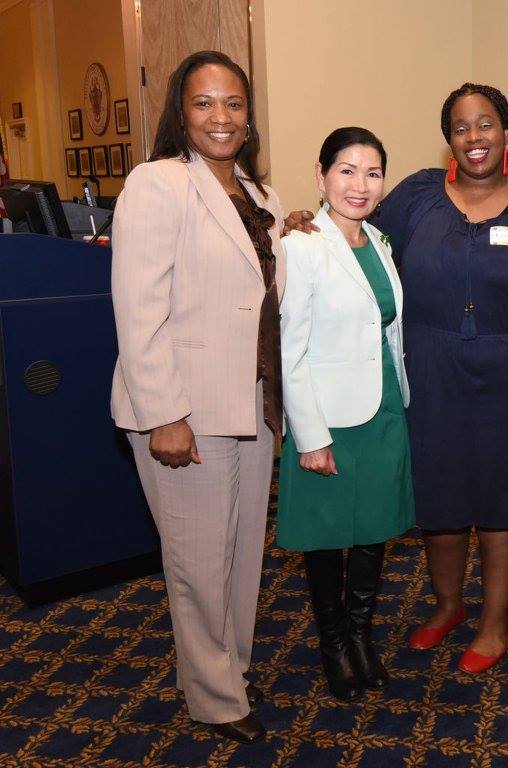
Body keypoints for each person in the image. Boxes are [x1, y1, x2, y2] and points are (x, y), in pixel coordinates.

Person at [110, 50, 283, 743]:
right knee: (197, 561)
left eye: (234, 103)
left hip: (253, 405)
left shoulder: (258, 194)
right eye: (205, 102)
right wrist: (165, 415)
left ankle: (223, 667)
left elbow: (263, 289)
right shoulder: (157, 185)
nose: (222, 116)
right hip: (184, 409)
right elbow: (137, 309)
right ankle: (214, 698)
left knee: (241, 557)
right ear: (181, 112)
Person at [372, 83, 508, 673]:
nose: (473, 137)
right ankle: (448, 606)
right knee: (441, 494)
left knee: (505, 499)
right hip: (431, 370)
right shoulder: (415, 199)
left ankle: (495, 622)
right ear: (448, 138)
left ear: (507, 131)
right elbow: (358, 237)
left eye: (485, 124)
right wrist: (313, 221)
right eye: (460, 126)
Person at [277, 127, 413, 702]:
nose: (360, 185)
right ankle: (333, 643)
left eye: (373, 172)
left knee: (372, 533)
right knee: (327, 537)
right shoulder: (303, 244)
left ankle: (361, 637)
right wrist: (310, 436)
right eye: (347, 170)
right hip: (327, 417)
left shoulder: (380, 242)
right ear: (321, 174)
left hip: (383, 406)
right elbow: (291, 348)